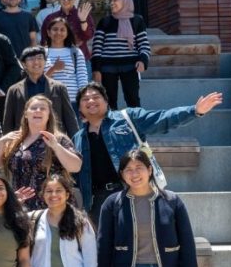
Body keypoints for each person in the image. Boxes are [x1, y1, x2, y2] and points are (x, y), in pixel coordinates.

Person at [71, 83, 222, 220]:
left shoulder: (127, 118)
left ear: (106, 101)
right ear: (80, 107)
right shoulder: (78, 138)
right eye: (85, 99)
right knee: (104, 247)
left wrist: (194, 111)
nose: (90, 101)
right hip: (96, 201)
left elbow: (162, 119)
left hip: (132, 191)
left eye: (96, 97)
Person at [0, 94, 82, 208]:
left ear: (49, 115)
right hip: (21, 206)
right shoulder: (14, 139)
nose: (38, 111)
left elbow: (76, 167)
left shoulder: (58, 139)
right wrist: (0, 142)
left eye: (43, 108)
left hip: (52, 206)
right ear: (26, 114)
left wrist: (56, 147)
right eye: (33, 108)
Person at [91, 0, 151, 109]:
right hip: (107, 67)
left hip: (130, 65)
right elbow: (97, 48)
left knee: (133, 99)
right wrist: (96, 70)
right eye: (111, 0)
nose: (111, 3)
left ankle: (135, 125)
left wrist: (143, 61)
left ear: (125, 1)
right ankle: (110, 126)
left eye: (115, 0)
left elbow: (143, 44)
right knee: (108, 101)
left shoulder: (137, 21)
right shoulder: (105, 22)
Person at [3, 46, 79, 136]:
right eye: (31, 59)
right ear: (23, 64)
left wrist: (76, 145)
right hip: (24, 142)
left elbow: (70, 119)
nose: (36, 62)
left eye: (40, 58)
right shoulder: (14, 90)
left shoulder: (59, 88)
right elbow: (8, 123)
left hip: (54, 141)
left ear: (45, 61)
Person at [41, 11, 90, 107]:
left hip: (73, 101)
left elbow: (82, 78)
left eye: (62, 30)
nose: (58, 32)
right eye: (55, 29)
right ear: (48, 32)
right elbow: (38, 81)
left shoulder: (75, 52)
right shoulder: (41, 53)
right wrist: (53, 69)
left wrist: (83, 100)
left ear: (67, 33)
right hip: (49, 102)